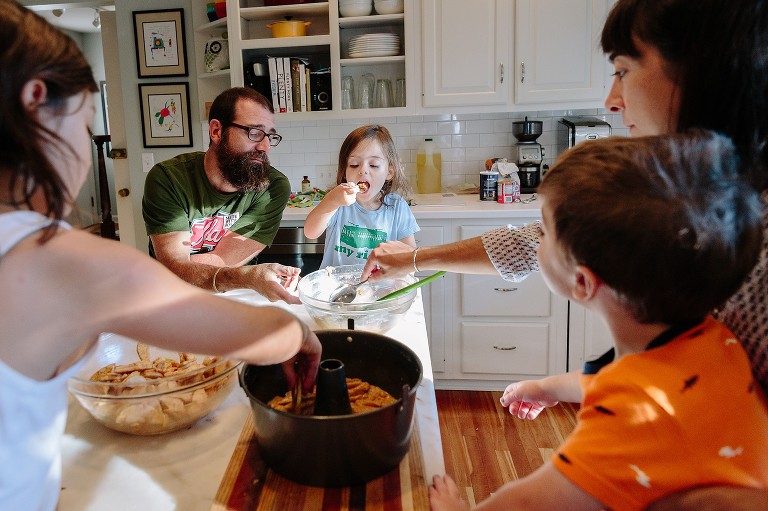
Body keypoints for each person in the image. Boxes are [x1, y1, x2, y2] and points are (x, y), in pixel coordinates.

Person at [0, 4, 320, 510]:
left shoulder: (269, 186)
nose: (85, 152)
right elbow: (265, 333)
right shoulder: (68, 260)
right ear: (35, 101)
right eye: (85, 125)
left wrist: (231, 276)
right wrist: (296, 332)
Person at [361, 0, 768, 396]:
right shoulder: (688, 186)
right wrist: (415, 258)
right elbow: (527, 244)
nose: (611, 99)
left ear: (701, 69)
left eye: (623, 70)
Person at [429, 131, 768, 511]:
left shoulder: (628, 416)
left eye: (543, 231)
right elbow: (622, 381)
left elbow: (526, 502)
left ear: (583, 282)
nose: (535, 239)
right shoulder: (712, 338)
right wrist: (548, 388)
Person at [142, 87, 301, 304]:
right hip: (172, 299)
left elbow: (222, 259)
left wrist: (182, 270)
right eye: (254, 132)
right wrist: (247, 276)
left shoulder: (273, 188)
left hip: (236, 296)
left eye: (269, 136)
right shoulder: (169, 179)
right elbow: (173, 269)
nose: (265, 146)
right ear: (216, 131)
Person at [304, 124, 419, 268]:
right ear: (344, 171)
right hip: (337, 281)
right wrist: (331, 201)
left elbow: (410, 257)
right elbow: (310, 232)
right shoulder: (337, 203)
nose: (363, 170)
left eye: (374, 165)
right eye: (354, 164)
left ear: (389, 172)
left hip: (381, 282)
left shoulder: (397, 207)